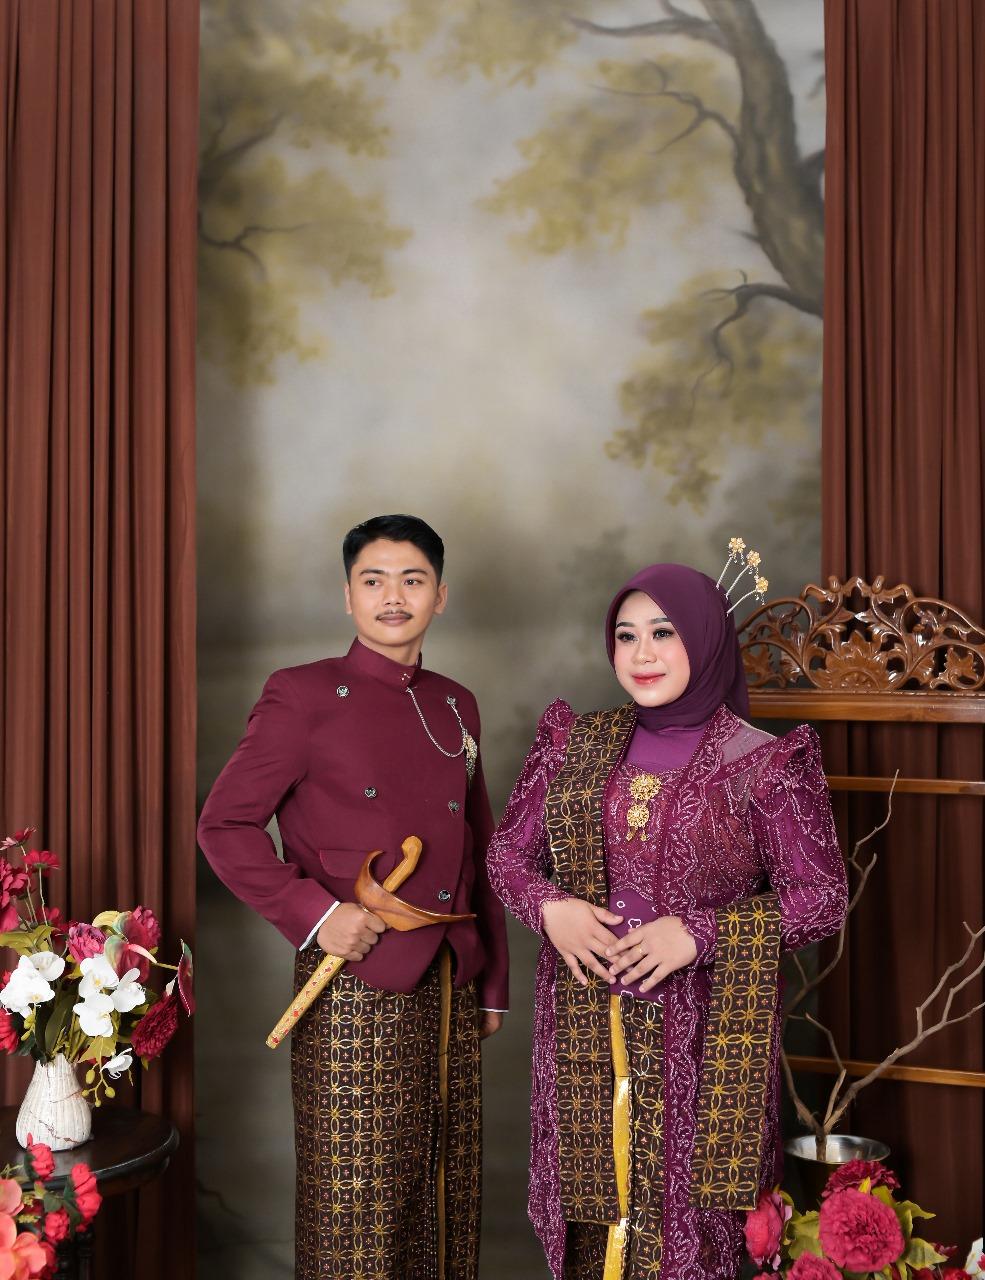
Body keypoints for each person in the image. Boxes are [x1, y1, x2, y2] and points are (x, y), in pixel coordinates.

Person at [486, 559, 848, 1280]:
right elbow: (506, 856)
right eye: (625, 636)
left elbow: (821, 896)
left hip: (704, 1042)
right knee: (590, 1223)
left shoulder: (763, 763)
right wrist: (550, 909)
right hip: (583, 1030)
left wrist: (698, 933)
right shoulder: (573, 743)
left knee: (689, 1232)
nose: (641, 654)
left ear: (706, 640)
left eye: (663, 632)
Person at [197, 513, 509, 1280]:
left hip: (450, 978)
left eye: (412, 580)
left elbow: (479, 844)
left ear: (440, 595)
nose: (392, 596)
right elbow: (224, 826)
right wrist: (318, 915)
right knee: (356, 1206)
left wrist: (492, 980)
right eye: (373, 580)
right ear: (347, 596)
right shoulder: (300, 695)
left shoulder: (456, 703)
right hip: (352, 978)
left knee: (442, 1193)